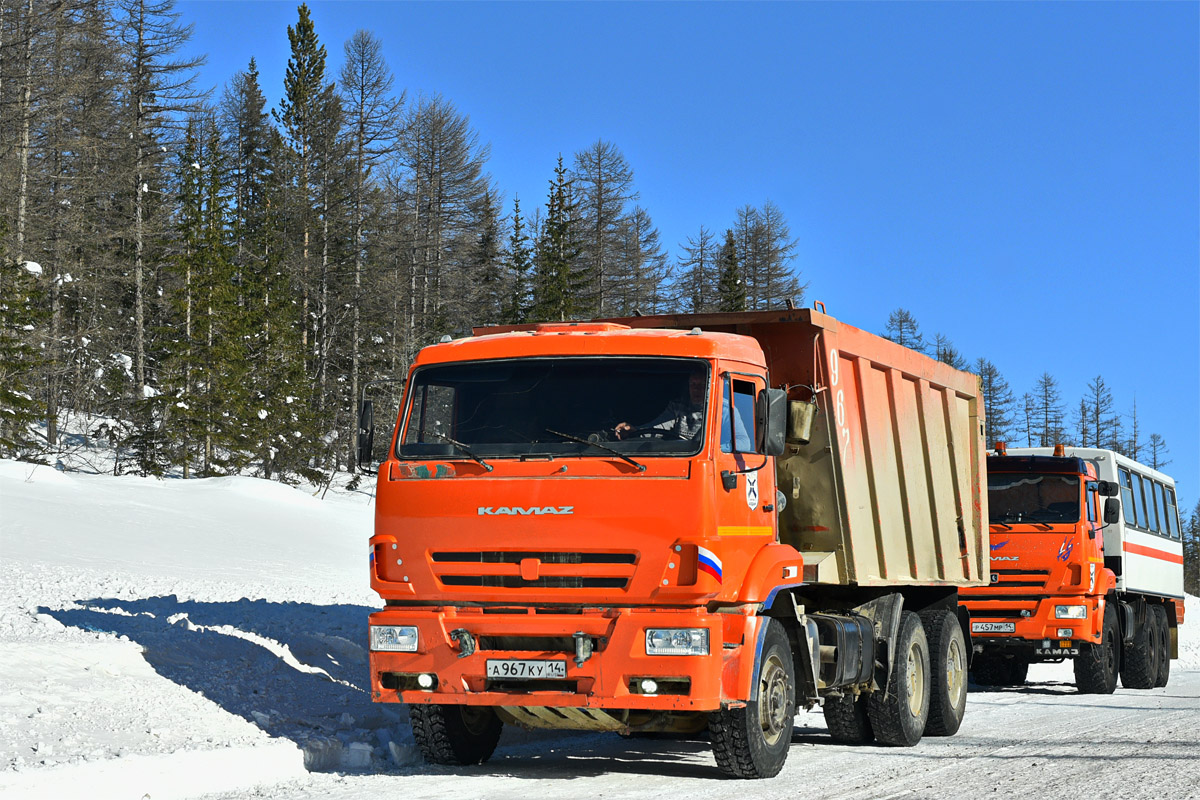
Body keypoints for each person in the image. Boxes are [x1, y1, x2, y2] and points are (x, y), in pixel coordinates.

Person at [614, 371, 706, 441]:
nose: (696, 389)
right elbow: (658, 427)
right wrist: (634, 430)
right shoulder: (677, 407)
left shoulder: (718, 410)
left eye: (701, 385)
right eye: (693, 384)